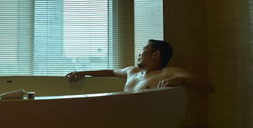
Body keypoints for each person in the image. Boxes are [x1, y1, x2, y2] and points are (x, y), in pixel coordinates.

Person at [66, 39, 214, 93]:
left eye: (144, 50)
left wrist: (182, 81)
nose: (139, 54)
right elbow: (111, 72)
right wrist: (83, 72)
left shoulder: (169, 72)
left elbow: (208, 87)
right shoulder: (132, 71)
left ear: (156, 55)